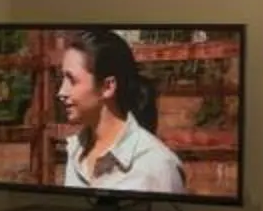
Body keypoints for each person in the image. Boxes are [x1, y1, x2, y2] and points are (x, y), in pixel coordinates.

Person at [54, 28, 188, 194]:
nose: (61, 92)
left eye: (72, 80)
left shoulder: (157, 165)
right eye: (62, 79)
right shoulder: (75, 153)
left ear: (108, 86)